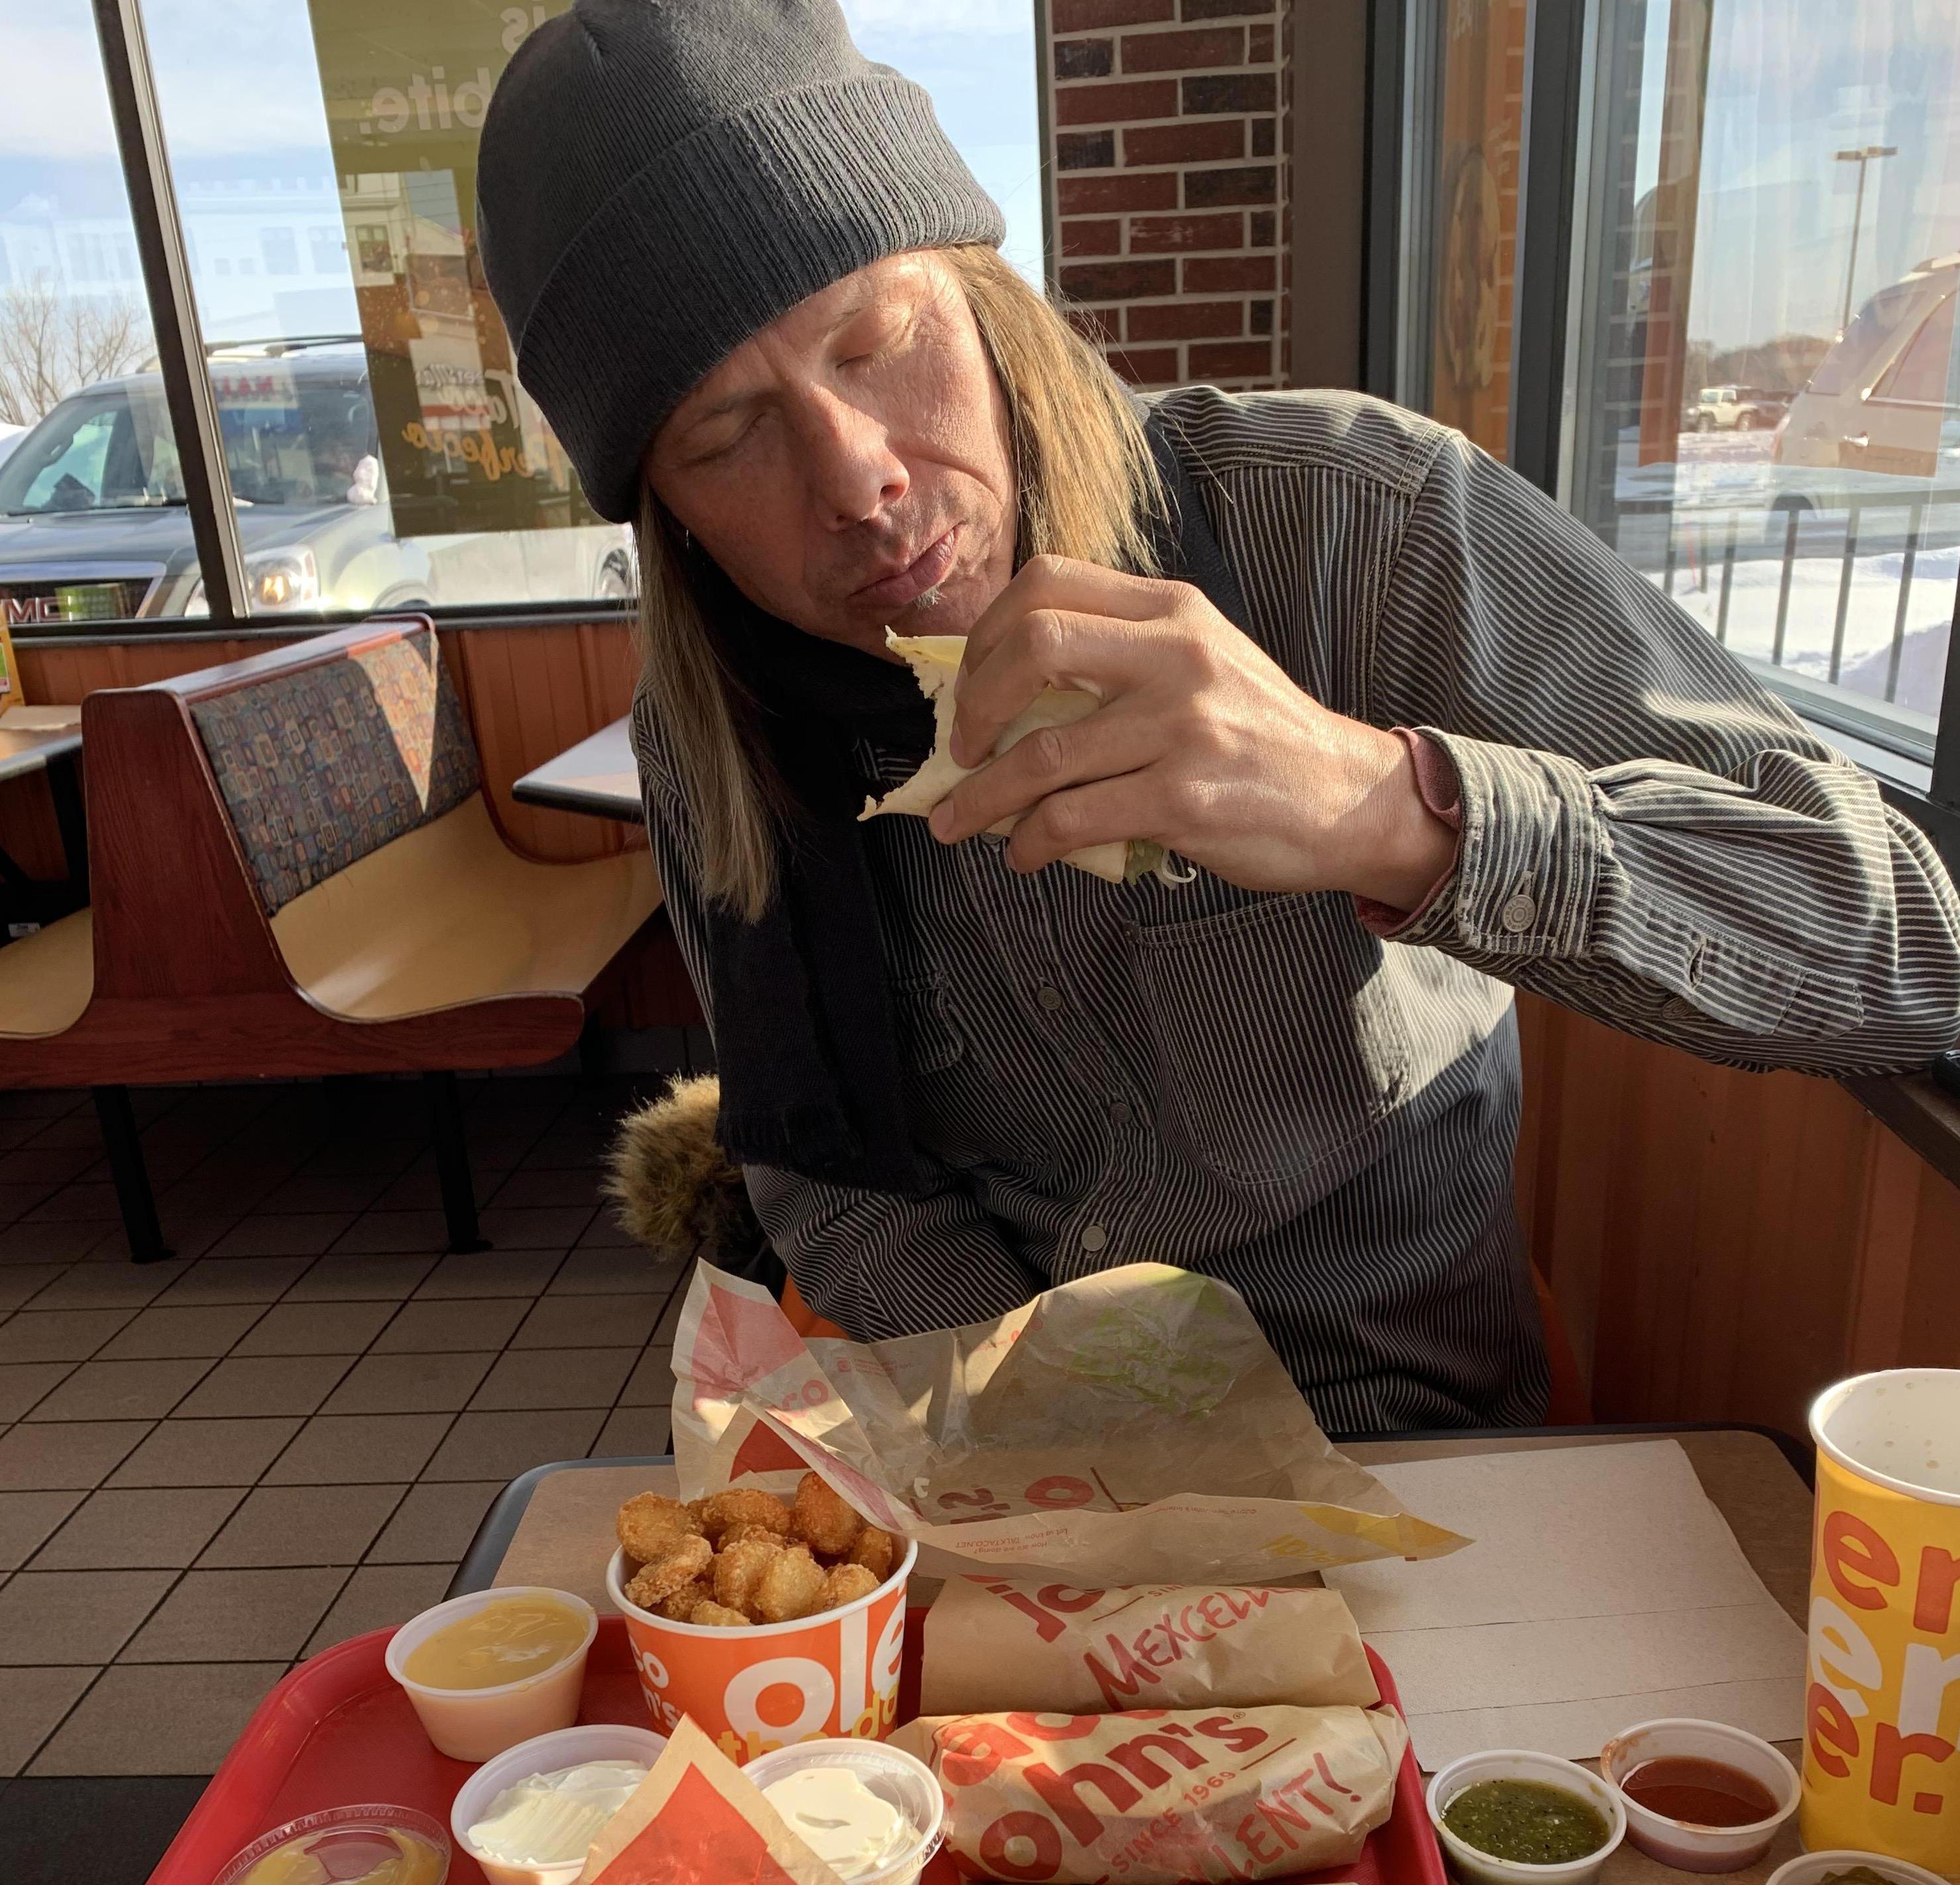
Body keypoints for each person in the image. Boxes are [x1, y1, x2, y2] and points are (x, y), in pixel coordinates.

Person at [476, 0, 1960, 1430]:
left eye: (874, 339)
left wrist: (1394, 812)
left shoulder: (1354, 527)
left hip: (1415, 1434)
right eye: (726, 434)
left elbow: (1905, 945)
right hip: (1024, 1441)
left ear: (982, 294)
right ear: (667, 512)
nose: (857, 476)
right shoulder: (720, 737)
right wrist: (1039, 1414)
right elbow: (833, 1180)